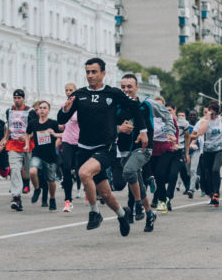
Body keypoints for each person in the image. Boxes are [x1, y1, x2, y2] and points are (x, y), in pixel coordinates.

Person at [57, 57, 147, 236]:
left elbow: (136, 107)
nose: (90, 75)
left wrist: (142, 130)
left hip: (105, 148)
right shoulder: (79, 94)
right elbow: (62, 121)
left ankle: (94, 212)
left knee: (84, 173)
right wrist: (65, 110)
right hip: (83, 148)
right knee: (106, 193)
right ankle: (122, 214)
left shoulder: (113, 93)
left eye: (94, 72)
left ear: (103, 73)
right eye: (88, 72)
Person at [116, 74, 162, 231]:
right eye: (123, 87)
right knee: (133, 182)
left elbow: (149, 127)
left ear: (137, 87)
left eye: (129, 86)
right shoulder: (117, 106)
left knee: (129, 171)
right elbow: (110, 127)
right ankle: (149, 214)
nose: (126, 90)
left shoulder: (144, 105)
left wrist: (140, 133)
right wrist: (119, 129)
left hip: (142, 149)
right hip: (122, 150)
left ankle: (137, 205)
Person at [0, 90, 37, 211]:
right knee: (14, 170)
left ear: (23, 99)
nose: (17, 100)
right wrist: (4, 139)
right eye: (15, 98)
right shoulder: (9, 111)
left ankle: (36, 188)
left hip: (27, 146)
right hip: (13, 145)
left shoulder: (30, 112)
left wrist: (27, 137)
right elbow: (9, 127)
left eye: (19, 98)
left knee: (29, 172)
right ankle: (16, 197)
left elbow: (35, 129)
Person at [26, 100, 62, 211]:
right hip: (37, 153)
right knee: (32, 171)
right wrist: (27, 145)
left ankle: (52, 198)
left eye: (44, 108)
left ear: (48, 110)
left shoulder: (53, 123)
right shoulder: (33, 123)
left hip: (50, 155)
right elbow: (27, 134)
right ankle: (37, 189)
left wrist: (55, 141)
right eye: (40, 108)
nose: (42, 110)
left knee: (51, 181)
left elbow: (61, 136)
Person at [194, 100, 222, 207]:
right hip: (207, 151)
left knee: (215, 169)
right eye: (210, 113)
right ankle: (211, 193)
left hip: (220, 150)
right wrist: (208, 118)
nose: (213, 115)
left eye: (214, 114)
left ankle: (216, 193)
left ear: (217, 113)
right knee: (207, 173)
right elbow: (202, 132)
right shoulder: (204, 121)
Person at [59, 83, 80, 212]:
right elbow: (61, 121)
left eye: (71, 90)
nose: (68, 92)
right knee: (66, 168)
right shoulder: (64, 105)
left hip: (80, 141)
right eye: (66, 90)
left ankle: (91, 193)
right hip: (67, 140)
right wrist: (61, 125)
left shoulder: (81, 106)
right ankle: (68, 200)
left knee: (80, 171)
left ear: (75, 91)